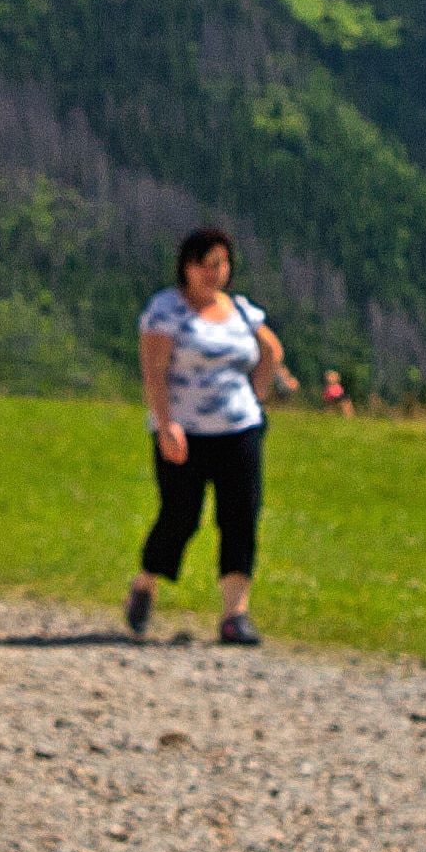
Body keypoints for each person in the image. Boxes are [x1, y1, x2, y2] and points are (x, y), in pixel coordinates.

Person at [127, 225, 289, 647]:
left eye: (222, 264)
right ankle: (146, 582)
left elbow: (270, 350)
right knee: (181, 517)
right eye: (206, 264)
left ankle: (235, 615)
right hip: (186, 431)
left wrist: (258, 394)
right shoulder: (165, 311)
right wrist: (165, 425)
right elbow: (154, 373)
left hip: (239, 430)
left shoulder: (240, 310)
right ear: (187, 266)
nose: (215, 272)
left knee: (240, 517)